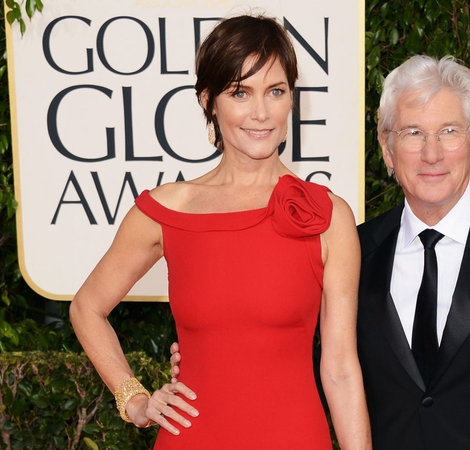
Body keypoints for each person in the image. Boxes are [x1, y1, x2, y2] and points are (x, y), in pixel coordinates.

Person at [172, 54, 470, 449]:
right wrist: (210, 354)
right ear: (387, 149)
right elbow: (302, 365)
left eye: (449, 131)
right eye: (412, 133)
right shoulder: (354, 250)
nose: (431, 153)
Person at [70, 14, 371, 449]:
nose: (261, 113)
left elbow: (341, 368)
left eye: (276, 91)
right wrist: (132, 397)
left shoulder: (329, 218)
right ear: (209, 100)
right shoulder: (166, 211)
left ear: (292, 99)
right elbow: (86, 307)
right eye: (240, 93)